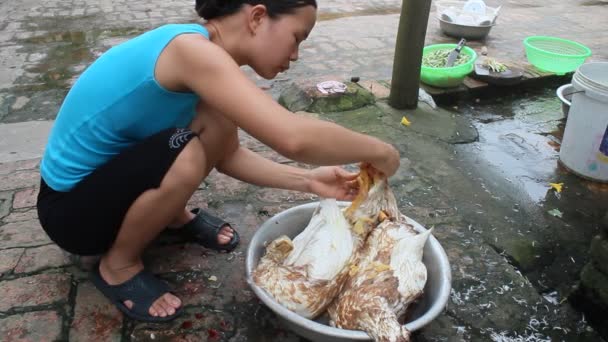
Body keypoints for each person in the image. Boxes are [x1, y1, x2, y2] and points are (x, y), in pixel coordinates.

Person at [36, 0, 400, 322]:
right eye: (297, 37)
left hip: (106, 188)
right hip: (71, 214)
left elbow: (226, 154)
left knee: (207, 128)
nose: (295, 55)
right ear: (258, 16)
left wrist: (308, 181)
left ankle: (170, 214)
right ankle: (118, 266)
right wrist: (380, 152)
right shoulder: (190, 51)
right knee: (185, 152)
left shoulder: (206, 54)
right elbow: (293, 137)